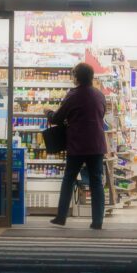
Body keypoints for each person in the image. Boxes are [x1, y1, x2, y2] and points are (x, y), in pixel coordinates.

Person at [48, 62, 108, 230]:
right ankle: (97, 221)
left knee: (69, 179)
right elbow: (101, 114)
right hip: (96, 144)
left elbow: (57, 118)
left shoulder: (73, 95)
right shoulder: (99, 95)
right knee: (96, 181)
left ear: (77, 77)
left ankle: (61, 217)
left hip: (77, 144)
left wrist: (48, 113)